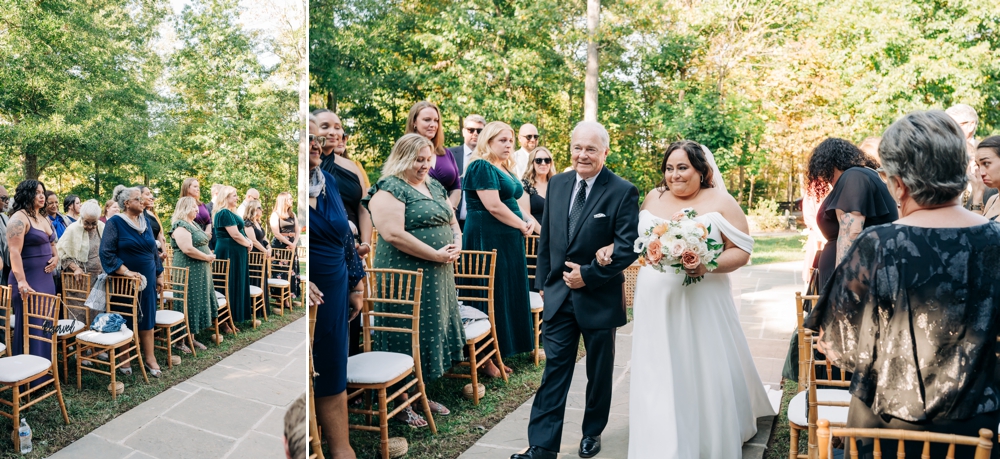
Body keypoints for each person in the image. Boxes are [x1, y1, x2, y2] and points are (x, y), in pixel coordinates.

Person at [805, 110, 1000, 458]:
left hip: (883, 428)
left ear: (899, 182)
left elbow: (836, 348)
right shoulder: (996, 240)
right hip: (973, 425)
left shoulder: (877, 244)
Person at [620, 140, 775, 458]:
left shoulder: (721, 200)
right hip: (654, 301)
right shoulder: (653, 196)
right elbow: (642, 243)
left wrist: (707, 264)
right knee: (657, 366)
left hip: (701, 298)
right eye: (669, 168)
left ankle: (706, 437)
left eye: (683, 167)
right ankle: (658, 436)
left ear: (701, 171)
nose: (674, 175)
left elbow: (742, 250)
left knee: (699, 365)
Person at [512, 121, 640, 459]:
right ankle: (541, 446)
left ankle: (592, 431)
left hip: (598, 297)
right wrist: (542, 285)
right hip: (557, 296)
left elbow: (628, 247)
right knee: (554, 370)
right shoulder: (556, 184)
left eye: (591, 149)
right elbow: (548, 241)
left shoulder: (622, 190)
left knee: (599, 372)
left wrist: (590, 274)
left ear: (605, 152)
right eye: (577, 148)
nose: (582, 155)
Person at [363, 133, 466, 425]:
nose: (424, 165)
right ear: (402, 158)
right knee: (403, 329)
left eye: (427, 159)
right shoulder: (390, 188)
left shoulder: (433, 184)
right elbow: (393, 234)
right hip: (405, 274)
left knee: (427, 329)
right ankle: (400, 399)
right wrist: (435, 254)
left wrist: (457, 242)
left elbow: (451, 220)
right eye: (417, 160)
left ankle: (420, 392)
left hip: (438, 272)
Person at [308, 115, 366, 459]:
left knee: (332, 365)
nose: (315, 143)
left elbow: (346, 236)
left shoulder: (327, 180)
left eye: (317, 139)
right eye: (308, 139)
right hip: (311, 294)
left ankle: (341, 448)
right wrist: (303, 280)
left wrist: (357, 285)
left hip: (338, 288)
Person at [463, 121, 535, 376]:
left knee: (505, 292)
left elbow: (514, 203)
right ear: (488, 141)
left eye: (510, 141)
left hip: (508, 239)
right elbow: (493, 206)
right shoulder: (480, 165)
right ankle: (484, 358)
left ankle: (499, 351)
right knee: (490, 294)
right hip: (488, 238)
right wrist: (521, 225)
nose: (508, 145)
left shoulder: (503, 167)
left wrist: (532, 225)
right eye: (502, 140)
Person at [807, 138, 897, 290]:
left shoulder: (853, 177)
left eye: (827, 175)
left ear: (831, 164)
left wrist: (840, 289)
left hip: (852, 282)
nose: (829, 183)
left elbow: (852, 233)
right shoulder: (868, 175)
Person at [100, 185, 165, 377]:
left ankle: (150, 357)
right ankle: (124, 357)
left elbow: (153, 250)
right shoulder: (115, 223)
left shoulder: (144, 220)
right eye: (138, 199)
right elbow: (106, 253)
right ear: (127, 203)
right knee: (125, 317)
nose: (143, 202)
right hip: (125, 282)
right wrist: (126, 271)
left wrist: (159, 274)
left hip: (148, 279)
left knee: (148, 316)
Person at [6, 180, 58, 367]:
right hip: (28, 281)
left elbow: (52, 243)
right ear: (26, 195)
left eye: (42, 192)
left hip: (47, 280)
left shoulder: (43, 217)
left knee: (45, 325)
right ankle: (29, 374)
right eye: (37, 192)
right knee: (31, 326)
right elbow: (14, 252)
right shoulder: (18, 219)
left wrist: (56, 258)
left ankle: (45, 368)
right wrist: (21, 281)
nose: (42, 196)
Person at [313, 109, 373, 258]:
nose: (333, 132)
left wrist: (365, 243)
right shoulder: (310, 166)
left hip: (355, 245)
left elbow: (364, 207)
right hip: (323, 247)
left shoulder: (352, 166)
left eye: (338, 127)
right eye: (325, 126)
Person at [170, 196, 218, 350]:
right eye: (193, 207)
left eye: (196, 207)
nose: (197, 209)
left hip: (200, 270)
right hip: (188, 270)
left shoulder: (194, 224)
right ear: (184, 208)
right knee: (188, 302)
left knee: (196, 303)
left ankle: (192, 337)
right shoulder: (180, 226)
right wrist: (206, 257)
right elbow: (187, 249)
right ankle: (180, 341)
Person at [405, 101, 463, 210]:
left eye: (436, 120)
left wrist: (449, 209)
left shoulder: (446, 153)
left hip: (447, 217)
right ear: (414, 122)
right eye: (427, 120)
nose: (433, 125)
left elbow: (456, 187)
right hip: (417, 214)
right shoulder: (404, 152)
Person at [214, 185, 254, 324]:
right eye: (234, 195)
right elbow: (235, 235)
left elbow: (240, 233)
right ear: (226, 197)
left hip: (237, 252)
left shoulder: (232, 212)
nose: (237, 198)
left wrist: (248, 241)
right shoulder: (223, 213)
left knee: (237, 281)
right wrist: (248, 243)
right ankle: (225, 321)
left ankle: (235, 316)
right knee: (229, 282)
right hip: (228, 251)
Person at [447, 114, 486, 229]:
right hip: (452, 220)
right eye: (471, 130)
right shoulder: (449, 154)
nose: (475, 133)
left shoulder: (490, 159)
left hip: (480, 223)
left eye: (479, 131)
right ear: (464, 131)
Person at [57, 200, 105, 289]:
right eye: (86, 223)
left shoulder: (102, 227)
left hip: (98, 281)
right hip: (78, 280)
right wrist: (76, 268)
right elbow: (61, 254)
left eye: (94, 223)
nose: (90, 226)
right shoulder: (72, 230)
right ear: (81, 218)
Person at [269, 192, 301, 299]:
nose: (292, 200)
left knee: (291, 268)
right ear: (283, 200)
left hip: (292, 245)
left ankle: (290, 294)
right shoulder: (275, 214)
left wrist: (294, 244)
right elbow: (276, 233)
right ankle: (280, 297)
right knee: (281, 269)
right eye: (289, 199)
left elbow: (297, 231)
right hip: (281, 245)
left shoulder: (293, 214)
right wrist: (289, 243)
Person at [522, 146, 555, 231]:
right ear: (532, 163)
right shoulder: (525, 185)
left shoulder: (556, 184)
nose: (543, 163)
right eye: (538, 160)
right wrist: (544, 235)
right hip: (534, 237)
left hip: (556, 236)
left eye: (547, 160)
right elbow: (526, 214)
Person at [974, 136, 1000, 219]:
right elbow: (975, 229)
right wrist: (978, 197)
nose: (981, 173)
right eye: (978, 165)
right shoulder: (993, 199)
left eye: (986, 163)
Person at [138, 186, 166, 260]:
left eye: (151, 194)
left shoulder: (150, 214)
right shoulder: (134, 216)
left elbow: (159, 234)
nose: (151, 196)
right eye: (147, 194)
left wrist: (164, 252)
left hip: (158, 255)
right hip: (145, 256)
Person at [0, 184, 10, 286]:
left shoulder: (5, 218)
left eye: (8, 198)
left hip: (6, 271)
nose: (7, 201)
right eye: (3, 198)